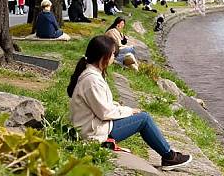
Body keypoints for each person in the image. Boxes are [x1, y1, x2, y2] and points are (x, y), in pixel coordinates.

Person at [67, 35, 191, 170]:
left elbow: (102, 105)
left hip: (92, 127)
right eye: (113, 55)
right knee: (144, 119)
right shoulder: (92, 80)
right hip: (93, 133)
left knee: (140, 116)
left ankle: (169, 155)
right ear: (103, 57)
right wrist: (129, 111)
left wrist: (123, 109)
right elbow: (105, 113)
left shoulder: (91, 74)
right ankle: (169, 157)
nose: (114, 58)